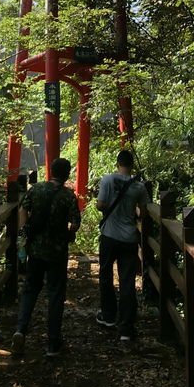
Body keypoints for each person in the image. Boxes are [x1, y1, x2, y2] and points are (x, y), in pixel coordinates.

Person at [12, 157, 80, 358]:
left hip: (35, 250)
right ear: (67, 174)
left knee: (30, 289)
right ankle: (52, 343)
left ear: (50, 171)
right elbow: (75, 222)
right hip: (57, 252)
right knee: (56, 294)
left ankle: (20, 330)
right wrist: (68, 232)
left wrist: (23, 237)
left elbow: (23, 210)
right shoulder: (68, 196)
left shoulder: (36, 189)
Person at [96, 149, 148, 344]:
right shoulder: (139, 186)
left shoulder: (107, 180)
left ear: (117, 163)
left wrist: (109, 207)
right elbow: (143, 213)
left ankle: (109, 316)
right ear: (131, 165)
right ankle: (126, 328)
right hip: (129, 238)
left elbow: (100, 205)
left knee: (106, 275)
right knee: (127, 281)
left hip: (109, 235)